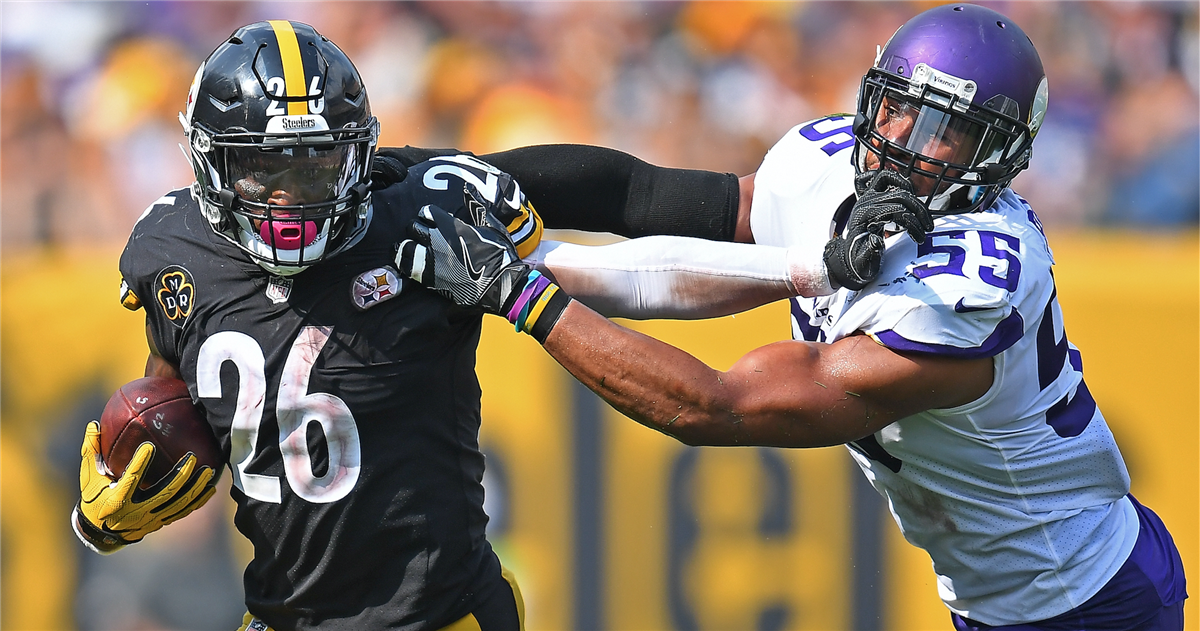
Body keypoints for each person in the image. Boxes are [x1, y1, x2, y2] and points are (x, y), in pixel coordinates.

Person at [393, 4, 1188, 630]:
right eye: (900, 109)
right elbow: (644, 199)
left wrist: (521, 293)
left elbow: (714, 404)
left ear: (999, 158)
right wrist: (430, 177)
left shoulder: (969, 285)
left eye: (946, 131)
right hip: (999, 589)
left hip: (1077, 597)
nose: (900, 143)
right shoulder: (828, 166)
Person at [71, 20, 546, 630]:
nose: (290, 198)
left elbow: (577, 193)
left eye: (314, 167)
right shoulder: (172, 250)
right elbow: (180, 410)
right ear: (211, 161)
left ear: (356, 158)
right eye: (265, 169)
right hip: (284, 613)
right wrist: (103, 522)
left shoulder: (406, 220)